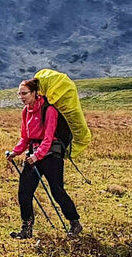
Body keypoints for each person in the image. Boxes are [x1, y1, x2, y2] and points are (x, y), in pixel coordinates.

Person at [5, 77, 82, 238]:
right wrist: (15, 152)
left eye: (24, 93)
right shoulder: (26, 111)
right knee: (24, 191)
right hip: (34, 154)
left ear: (34, 93)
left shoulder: (50, 110)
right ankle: (26, 229)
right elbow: (25, 137)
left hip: (51, 155)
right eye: (19, 94)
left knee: (57, 191)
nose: (21, 97)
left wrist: (37, 155)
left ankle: (75, 223)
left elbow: (48, 138)